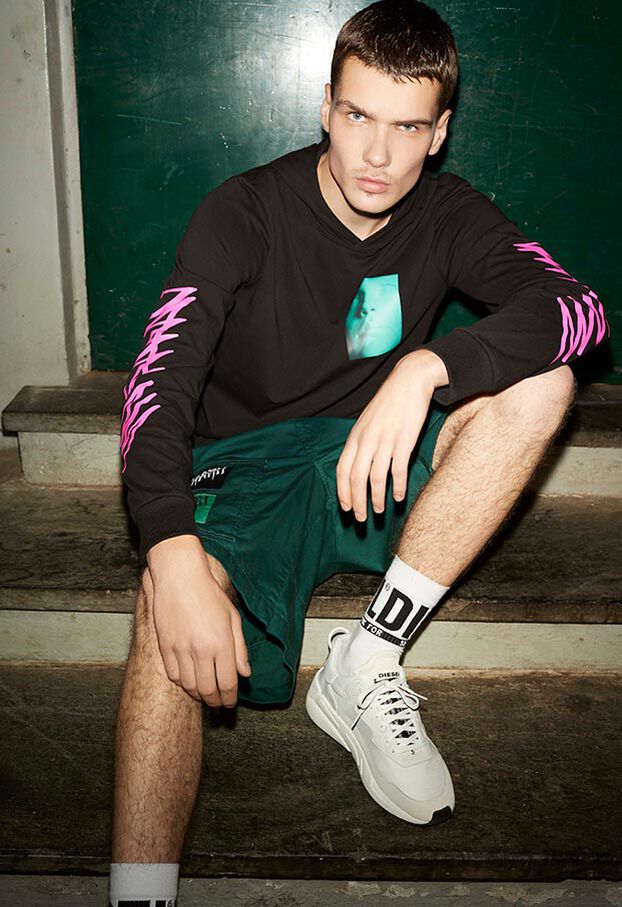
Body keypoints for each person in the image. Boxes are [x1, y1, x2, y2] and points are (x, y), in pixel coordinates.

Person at [109, 1, 610, 904]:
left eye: (407, 127)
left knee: (545, 385)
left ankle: (369, 657)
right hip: (250, 462)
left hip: (374, 458)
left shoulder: (449, 215)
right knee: (165, 600)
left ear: (440, 133)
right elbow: (156, 382)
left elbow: (581, 310)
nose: (377, 154)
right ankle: (139, 893)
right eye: (357, 116)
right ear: (326, 109)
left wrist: (428, 365)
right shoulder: (243, 211)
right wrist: (169, 547)